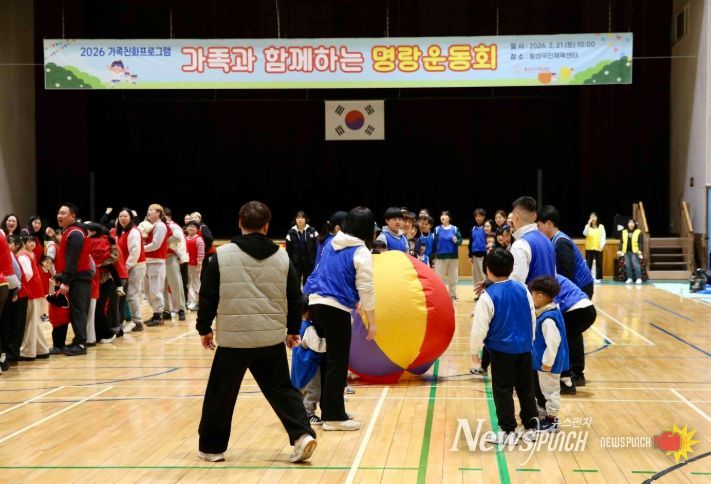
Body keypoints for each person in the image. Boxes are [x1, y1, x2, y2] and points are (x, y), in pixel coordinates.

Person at [196, 201, 316, 463]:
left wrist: (204, 328)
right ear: (266, 226)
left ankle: (212, 448)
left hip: (234, 340)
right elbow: (295, 298)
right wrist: (293, 329)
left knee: (221, 393)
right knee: (282, 390)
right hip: (269, 338)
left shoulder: (222, 255)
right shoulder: (282, 257)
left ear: (240, 222)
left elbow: (207, 296)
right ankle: (302, 435)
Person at [303, 206, 376, 431]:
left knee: (327, 359)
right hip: (335, 309)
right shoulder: (361, 251)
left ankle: (331, 410)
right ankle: (334, 417)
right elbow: (366, 288)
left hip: (315, 304)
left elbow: (316, 274)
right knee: (337, 362)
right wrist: (372, 322)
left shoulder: (330, 243)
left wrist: (306, 304)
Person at [470, 249, 538, 444]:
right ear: (511, 268)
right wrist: (530, 340)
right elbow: (532, 316)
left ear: (488, 270)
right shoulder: (523, 288)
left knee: (503, 391)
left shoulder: (487, 296)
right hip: (525, 349)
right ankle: (531, 428)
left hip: (501, 352)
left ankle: (508, 431)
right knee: (526, 389)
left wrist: (474, 352)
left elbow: (479, 329)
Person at [528, 276, 569, 431]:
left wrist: (547, 362)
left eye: (532, 294)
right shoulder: (549, 311)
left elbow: (553, 342)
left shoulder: (548, 319)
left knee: (551, 392)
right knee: (544, 391)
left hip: (549, 364)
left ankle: (552, 421)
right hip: (543, 362)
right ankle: (545, 415)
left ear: (539, 296)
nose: (531, 297)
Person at [55, 203, 92, 356]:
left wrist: (66, 281)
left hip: (79, 279)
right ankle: (78, 341)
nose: (59, 216)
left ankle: (81, 344)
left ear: (73, 216)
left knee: (78, 311)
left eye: (63, 213)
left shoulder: (75, 233)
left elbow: (72, 260)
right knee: (76, 311)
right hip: (76, 278)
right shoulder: (70, 231)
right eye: (59, 213)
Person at [537, 205, 595, 298]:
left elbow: (567, 274)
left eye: (539, 225)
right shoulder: (554, 240)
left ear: (548, 224)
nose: (538, 229)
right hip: (577, 286)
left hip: (582, 287)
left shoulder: (561, 242)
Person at [554, 274, 596, 393]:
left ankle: (570, 376)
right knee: (573, 338)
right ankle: (577, 374)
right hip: (587, 308)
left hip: (576, 309)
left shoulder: (544, 279)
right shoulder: (552, 274)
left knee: (566, 340)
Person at [290, 301, 327, 425]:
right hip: (309, 366)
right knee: (313, 391)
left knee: (301, 390)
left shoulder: (297, 325)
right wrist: (329, 342)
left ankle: (299, 412)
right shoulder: (309, 328)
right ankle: (308, 414)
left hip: (298, 364)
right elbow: (318, 346)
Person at [510, 197, 556, 284]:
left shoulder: (520, 244)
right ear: (535, 216)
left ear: (516, 215)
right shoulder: (547, 240)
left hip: (532, 292)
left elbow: (516, 284)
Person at [116, 208, 145, 332]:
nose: (122, 218)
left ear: (131, 218)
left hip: (136, 266)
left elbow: (135, 252)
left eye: (125, 216)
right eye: (120, 216)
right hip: (130, 266)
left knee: (132, 294)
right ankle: (134, 321)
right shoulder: (124, 232)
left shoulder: (133, 232)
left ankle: (137, 322)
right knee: (131, 295)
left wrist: (126, 268)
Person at [143, 204, 169, 326]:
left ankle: (159, 315)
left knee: (155, 289)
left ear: (158, 213)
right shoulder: (150, 226)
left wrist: (141, 249)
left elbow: (156, 244)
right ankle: (155, 313)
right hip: (147, 261)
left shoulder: (160, 226)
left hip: (156, 261)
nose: (148, 212)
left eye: (151, 210)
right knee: (147, 290)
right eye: (148, 210)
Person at [163, 208, 188, 321]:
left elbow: (179, 240)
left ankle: (181, 309)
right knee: (161, 286)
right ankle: (166, 310)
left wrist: (181, 256)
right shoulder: (154, 226)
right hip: (158, 259)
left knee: (175, 284)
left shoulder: (173, 226)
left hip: (170, 257)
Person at [432, 211, 462, 300]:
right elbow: (434, 244)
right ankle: (439, 294)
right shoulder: (437, 229)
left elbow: (460, 242)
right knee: (439, 277)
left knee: (453, 277)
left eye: (445, 215)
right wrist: (433, 256)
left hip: (453, 256)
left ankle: (452, 295)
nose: (443, 216)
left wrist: (457, 241)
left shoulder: (455, 229)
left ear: (449, 218)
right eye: (441, 215)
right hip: (440, 257)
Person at [285, 211, 319, 285]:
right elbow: (288, 251)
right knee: (295, 283)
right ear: (295, 219)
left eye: (302, 218)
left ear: (306, 219)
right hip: (296, 263)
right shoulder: (290, 233)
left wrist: (315, 261)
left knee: (308, 283)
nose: (300, 219)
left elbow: (317, 248)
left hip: (309, 263)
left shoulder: (313, 231)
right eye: (298, 218)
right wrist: (290, 263)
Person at [185, 221, 205, 311]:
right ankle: (191, 301)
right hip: (186, 264)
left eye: (193, 227)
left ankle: (199, 302)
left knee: (196, 284)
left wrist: (199, 265)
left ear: (197, 230)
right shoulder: (185, 239)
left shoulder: (199, 240)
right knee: (189, 283)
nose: (191, 228)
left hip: (195, 265)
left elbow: (201, 253)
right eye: (189, 226)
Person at [618, 219, 644, 284]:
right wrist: (619, 250)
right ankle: (629, 278)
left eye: (632, 223)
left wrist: (640, 250)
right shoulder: (624, 232)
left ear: (634, 224)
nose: (631, 224)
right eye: (629, 222)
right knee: (628, 265)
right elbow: (621, 242)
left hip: (635, 251)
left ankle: (639, 278)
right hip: (626, 251)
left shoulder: (638, 232)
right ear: (627, 224)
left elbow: (640, 242)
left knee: (636, 265)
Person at [583, 212, 606, 282]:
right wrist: (588, 224)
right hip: (589, 248)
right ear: (589, 218)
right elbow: (585, 233)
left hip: (598, 247)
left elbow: (603, 236)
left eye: (594, 217)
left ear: (597, 218)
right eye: (591, 217)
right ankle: (588, 278)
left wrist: (602, 245)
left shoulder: (601, 226)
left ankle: (598, 278)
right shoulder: (587, 226)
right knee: (588, 263)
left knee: (599, 263)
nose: (593, 218)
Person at [469, 209, 487, 288]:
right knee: (476, 276)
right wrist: (470, 255)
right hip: (475, 255)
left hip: (485, 255)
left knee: (485, 275)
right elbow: (470, 242)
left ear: (484, 217)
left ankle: (487, 291)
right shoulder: (473, 229)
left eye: (480, 216)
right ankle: (478, 292)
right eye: (476, 216)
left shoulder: (486, 228)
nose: (478, 218)